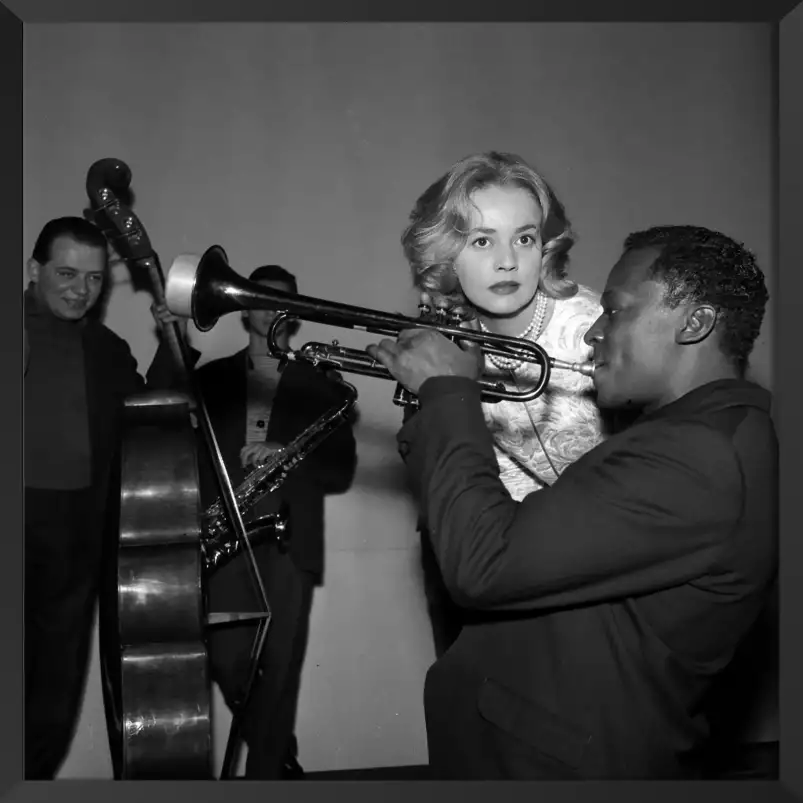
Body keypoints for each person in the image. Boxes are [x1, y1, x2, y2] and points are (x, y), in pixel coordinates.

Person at [366, 224, 777, 779]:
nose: (593, 334)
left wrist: (448, 392)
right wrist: (436, 405)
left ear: (695, 323)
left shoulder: (697, 454)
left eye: (616, 311)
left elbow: (483, 564)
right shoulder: (691, 436)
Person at [399, 151, 610, 657]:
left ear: (546, 246)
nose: (507, 261)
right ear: (445, 255)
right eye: (480, 240)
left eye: (524, 237)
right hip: (494, 565)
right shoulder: (442, 338)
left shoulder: (596, 329)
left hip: (596, 568)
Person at [23, 216, 184, 780]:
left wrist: (172, 340)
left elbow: (152, 413)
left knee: (53, 690)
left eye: (93, 280)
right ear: (34, 270)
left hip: (75, 536)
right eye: (66, 274)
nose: (80, 291)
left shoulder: (104, 346)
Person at [190, 265, 357, 779]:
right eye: (260, 300)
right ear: (245, 309)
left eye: (282, 303)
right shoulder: (210, 379)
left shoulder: (323, 384)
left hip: (290, 540)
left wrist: (287, 454)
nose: (271, 311)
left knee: (280, 669)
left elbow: (342, 471)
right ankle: (279, 752)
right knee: (225, 660)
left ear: (296, 314)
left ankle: (265, 777)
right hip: (227, 539)